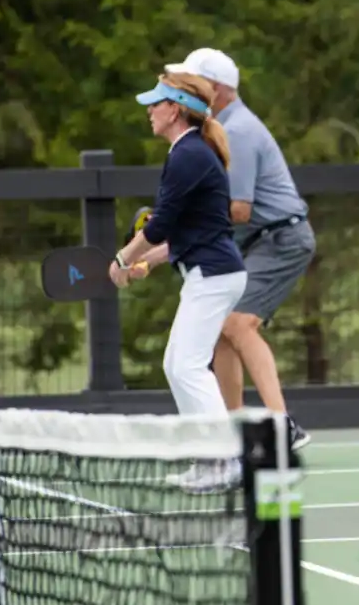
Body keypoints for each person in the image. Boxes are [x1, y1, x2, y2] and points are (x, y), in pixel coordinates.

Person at [163, 47, 315, 454]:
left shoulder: (239, 131)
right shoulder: (217, 130)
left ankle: (282, 427)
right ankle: (235, 431)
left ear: (214, 90)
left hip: (282, 240)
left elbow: (239, 210)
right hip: (260, 241)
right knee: (221, 333)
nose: (181, 90)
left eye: (190, 82)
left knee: (237, 326)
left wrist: (182, 222)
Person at [113, 71, 249, 493]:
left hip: (215, 276)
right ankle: (209, 458)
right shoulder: (188, 152)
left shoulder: (188, 154)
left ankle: (225, 460)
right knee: (178, 365)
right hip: (209, 272)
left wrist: (122, 259)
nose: (149, 111)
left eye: (155, 104)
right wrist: (147, 263)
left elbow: (160, 226)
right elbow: (185, 233)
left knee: (187, 366)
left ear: (174, 110)